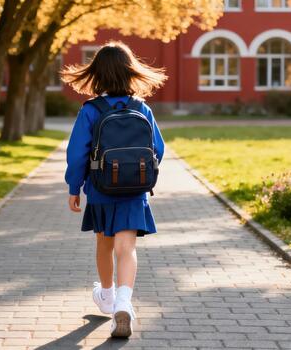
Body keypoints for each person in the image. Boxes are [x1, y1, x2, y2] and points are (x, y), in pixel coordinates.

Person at [61, 41, 166, 338]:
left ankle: (106, 295)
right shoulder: (142, 108)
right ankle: (123, 302)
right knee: (127, 248)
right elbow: (158, 148)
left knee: (104, 244)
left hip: (101, 189)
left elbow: (77, 153)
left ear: (97, 75)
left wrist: (74, 187)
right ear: (130, 72)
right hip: (135, 191)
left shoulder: (91, 110)